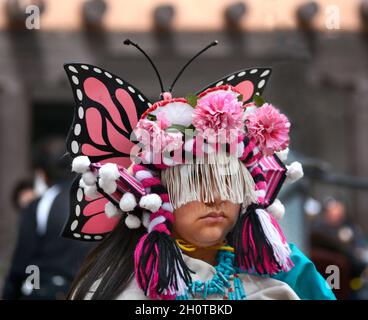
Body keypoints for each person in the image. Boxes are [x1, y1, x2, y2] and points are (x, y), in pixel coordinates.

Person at [62, 40, 336, 300]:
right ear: (159, 196)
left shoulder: (284, 273)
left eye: (229, 182)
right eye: (194, 183)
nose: (214, 198)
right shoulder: (116, 289)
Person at [2, 137, 93, 300]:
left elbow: (23, 262)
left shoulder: (40, 204)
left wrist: (18, 291)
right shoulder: (95, 200)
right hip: (90, 289)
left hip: (47, 289)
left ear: (42, 174)